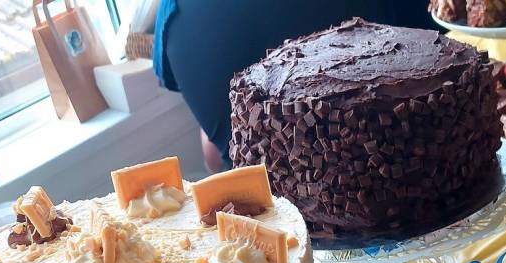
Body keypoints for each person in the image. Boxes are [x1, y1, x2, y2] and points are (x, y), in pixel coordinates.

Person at [154, 0, 436, 171]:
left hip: (259, 228)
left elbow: (214, 149)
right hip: (402, 173)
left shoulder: (169, 14)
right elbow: (435, 53)